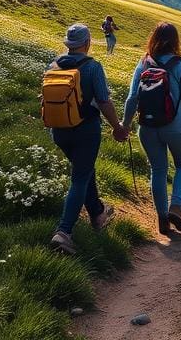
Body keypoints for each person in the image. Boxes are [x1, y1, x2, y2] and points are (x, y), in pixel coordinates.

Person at [48, 23, 128, 255]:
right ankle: (64, 232)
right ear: (87, 43)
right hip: (85, 131)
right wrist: (118, 126)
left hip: (59, 130)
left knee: (84, 169)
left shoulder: (53, 65)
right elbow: (104, 101)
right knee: (80, 178)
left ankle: (97, 214)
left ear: (68, 44)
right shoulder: (92, 67)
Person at [123, 22, 181, 235]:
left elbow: (132, 98)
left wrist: (125, 125)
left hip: (147, 127)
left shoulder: (144, 63)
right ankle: (176, 207)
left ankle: (162, 220)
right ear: (175, 40)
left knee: (157, 170)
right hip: (177, 126)